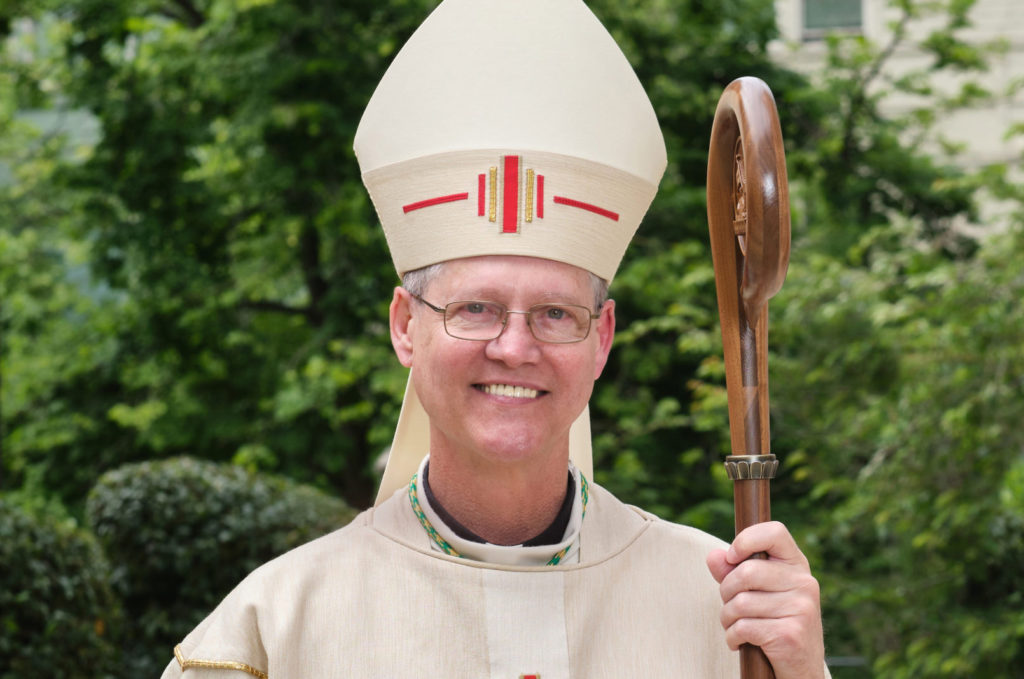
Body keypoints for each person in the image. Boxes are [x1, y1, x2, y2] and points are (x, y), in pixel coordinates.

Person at [162, 0, 828, 677]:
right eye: (475, 308)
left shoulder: (726, 609)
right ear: (404, 326)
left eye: (555, 314)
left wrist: (800, 670)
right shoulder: (273, 630)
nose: (515, 347)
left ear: (601, 339)